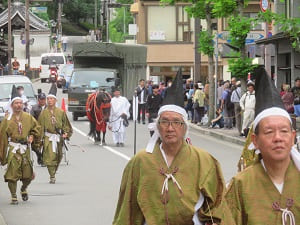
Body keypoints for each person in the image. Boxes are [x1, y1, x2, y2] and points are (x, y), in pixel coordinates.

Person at [113, 69, 235, 225]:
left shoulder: (204, 160)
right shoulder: (140, 161)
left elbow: (219, 206)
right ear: (157, 126)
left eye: (176, 122)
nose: (170, 128)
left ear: (185, 127)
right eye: (164, 122)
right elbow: (126, 209)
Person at [226, 67, 300, 225]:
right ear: (255, 140)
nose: (278, 138)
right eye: (269, 132)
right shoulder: (241, 185)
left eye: (284, 131)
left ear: (293, 137)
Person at [0, 85, 41, 205]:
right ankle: (13, 195)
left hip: (25, 148)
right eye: (16, 103)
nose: (18, 105)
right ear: (12, 105)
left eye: (20, 103)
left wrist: (32, 136)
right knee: (12, 175)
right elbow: (2, 137)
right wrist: (2, 154)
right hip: (13, 149)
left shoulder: (28, 117)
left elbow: (37, 129)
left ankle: (23, 188)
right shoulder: (7, 120)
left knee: (28, 175)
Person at [38, 84, 73, 184]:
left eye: (51, 99)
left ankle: (54, 170)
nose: (49, 101)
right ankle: (52, 176)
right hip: (48, 137)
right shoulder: (43, 113)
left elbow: (66, 125)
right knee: (50, 157)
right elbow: (39, 126)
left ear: (55, 100)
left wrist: (66, 133)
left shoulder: (61, 112)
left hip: (58, 137)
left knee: (58, 157)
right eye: (48, 99)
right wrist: (39, 140)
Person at [30, 92, 47, 165]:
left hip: (47, 128)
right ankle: (38, 153)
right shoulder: (34, 108)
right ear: (38, 100)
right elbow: (31, 118)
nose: (42, 101)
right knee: (33, 145)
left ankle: (43, 158)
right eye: (41, 99)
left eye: (44, 99)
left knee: (47, 143)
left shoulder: (49, 107)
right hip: (37, 128)